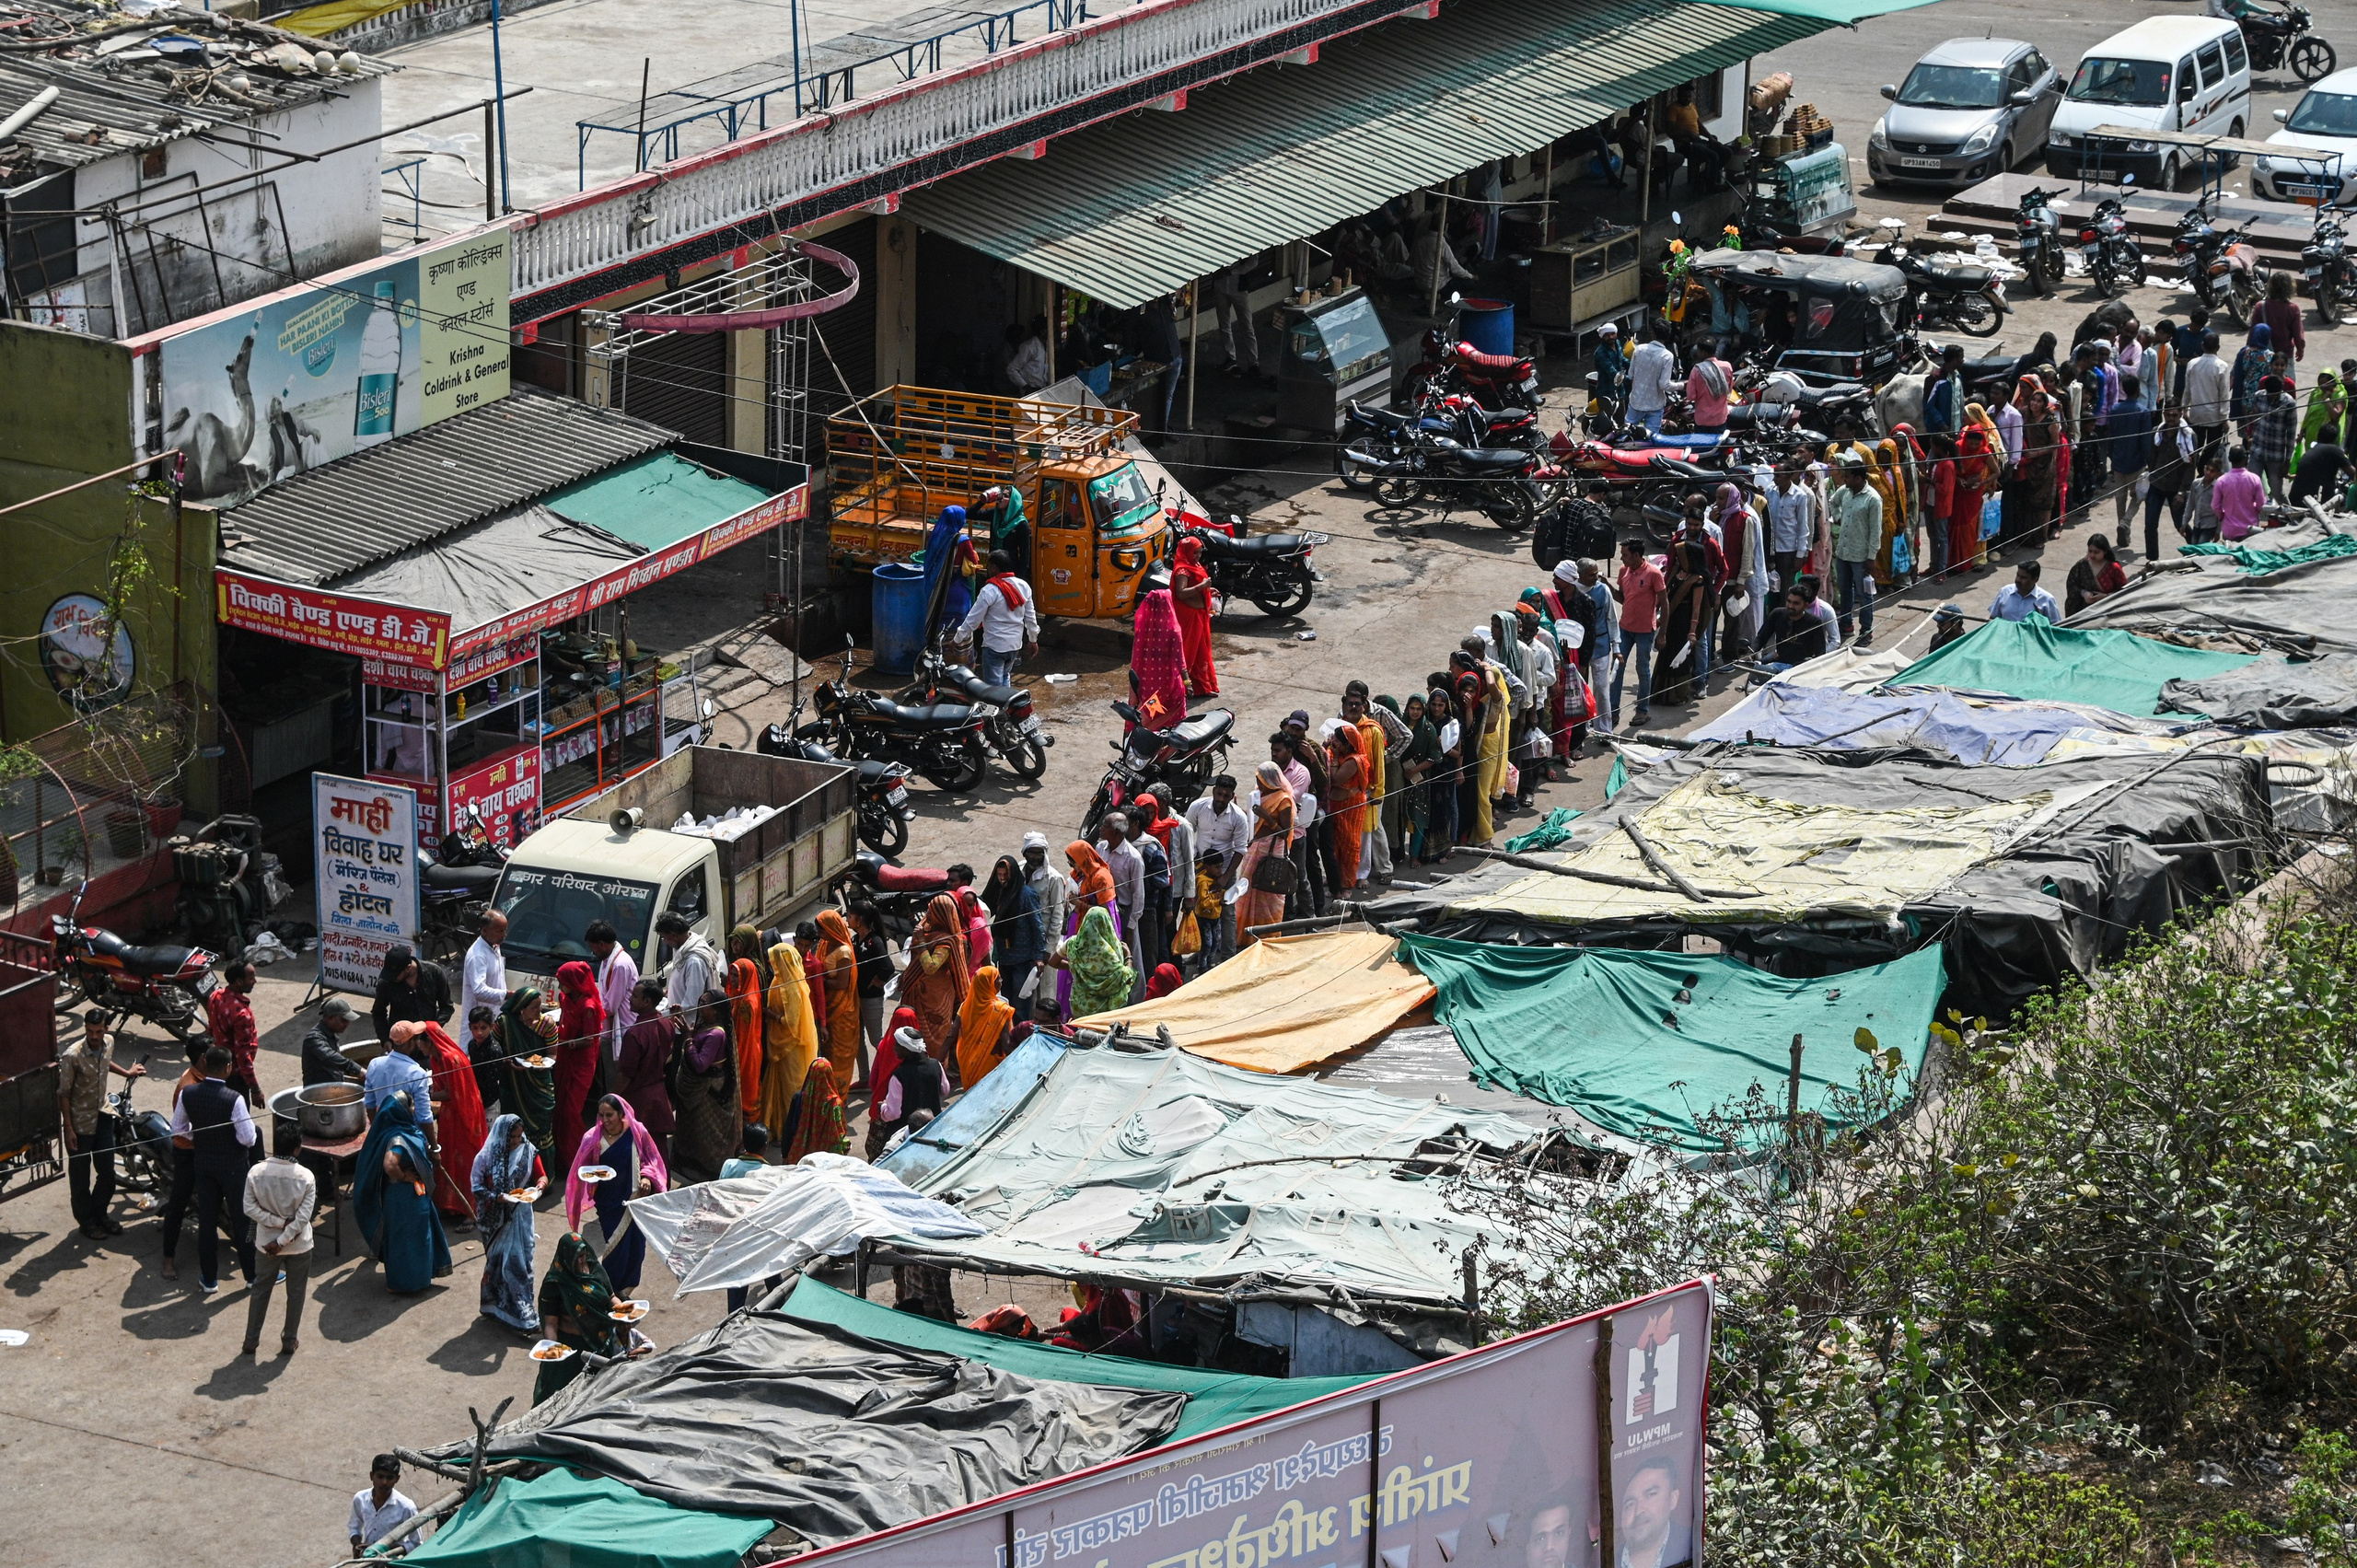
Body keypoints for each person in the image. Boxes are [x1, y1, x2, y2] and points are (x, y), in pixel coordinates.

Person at [565, 1093, 668, 1294]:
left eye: (609, 1115)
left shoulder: (637, 1132)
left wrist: (646, 1178)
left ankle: (626, 1290)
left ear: (621, 1114)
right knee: (614, 1248)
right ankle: (609, 1292)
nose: (605, 1120)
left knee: (636, 1248)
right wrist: (590, 1176)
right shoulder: (591, 1138)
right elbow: (581, 1167)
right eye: (601, 1115)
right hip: (608, 1201)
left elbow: (651, 1160)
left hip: (634, 1201)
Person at [351, 1089, 447, 1293]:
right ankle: (406, 1284)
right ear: (401, 1110)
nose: (414, 1109)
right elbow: (390, 1164)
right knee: (407, 1240)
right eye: (411, 1106)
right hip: (404, 1198)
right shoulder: (398, 1137)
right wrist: (405, 1176)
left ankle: (416, 1280)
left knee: (415, 1238)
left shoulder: (406, 1130)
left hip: (410, 1196)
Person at [57, 1009, 142, 1239]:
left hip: (103, 1117)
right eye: (89, 1031)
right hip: (80, 1124)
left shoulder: (108, 1042)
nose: (94, 1036)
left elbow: (104, 1063)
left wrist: (127, 1072)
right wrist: (68, 1129)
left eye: (98, 1031)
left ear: (106, 1029)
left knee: (107, 1173)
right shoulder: (72, 1056)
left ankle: (100, 1214)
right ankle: (87, 1222)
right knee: (80, 1178)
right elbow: (63, 1093)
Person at [395, 1019, 487, 1227]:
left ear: (429, 1042)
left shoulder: (449, 1058)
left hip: (464, 1116)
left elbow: (452, 1093)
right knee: (448, 1161)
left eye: (419, 1041)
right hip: (449, 1116)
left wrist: (423, 1095)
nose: (417, 1046)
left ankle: (471, 1210)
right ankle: (452, 1205)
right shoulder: (436, 1059)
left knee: (466, 1162)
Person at [237, 1121, 317, 1356]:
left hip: (265, 1245)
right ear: (297, 1149)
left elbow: (249, 1208)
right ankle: (289, 1341)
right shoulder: (306, 1177)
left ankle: (251, 1341)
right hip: (299, 1246)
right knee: (296, 1293)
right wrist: (284, 1236)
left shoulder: (256, 1172)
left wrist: (274, 1226)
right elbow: (303, 1218)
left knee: (260, 1291)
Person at [533, 1233, 626, 1406]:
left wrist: (623, 1312)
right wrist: (552, 1347)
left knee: (600, 1391)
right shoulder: (555, 1283)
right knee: (561, 1397)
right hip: (571, 1349)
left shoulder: (595, 1270)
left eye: (583, 1256)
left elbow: (611, 1297)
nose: (582, 1261)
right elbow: (551, 1324)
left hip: (599, 1342)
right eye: (577, 1258)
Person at [470, 1112, 543, 1334]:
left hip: (521, 1216)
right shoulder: (486, 1156)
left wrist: (539, 1188)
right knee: (503, 1265)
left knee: (521, 1264)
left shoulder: (527, 1150)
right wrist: (498, 1197)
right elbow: (476, 1187)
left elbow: (542, 1176)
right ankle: (508, 1311)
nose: (516, 1142)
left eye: (519, 1137)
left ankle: (522, 1311)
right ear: (502, 1135)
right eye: (512, 1137)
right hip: (496, 1222)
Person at [668, 989, 741, 1185]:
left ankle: (709, 1172)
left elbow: (700, 1065)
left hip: (706, 1092)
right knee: (692, 1132)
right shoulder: (704, 1025)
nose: (701, 1007)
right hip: (694, 1093)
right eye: (700, 1001)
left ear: (716, 1011)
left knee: (707, 1134)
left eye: (705, 1004)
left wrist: (687, 1039)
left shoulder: (716, 1034)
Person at [1184, 776, 1249, 963]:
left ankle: (1228, 956)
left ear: (1232, 796)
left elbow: (1240, 849)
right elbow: (1188, 834)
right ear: (1213, 791)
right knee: (1199, 909)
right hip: (1200, 869)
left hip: (1225, 869)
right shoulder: (1197, 807)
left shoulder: (1238, 817)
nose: (1221, 799)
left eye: (1226, 795)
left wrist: (1225, 877)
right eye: (1219, 793)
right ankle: (1200, 952)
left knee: (1227, 912)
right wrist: (1194, 864)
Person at [492, 987, 560, 1166]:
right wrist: (507, 1062)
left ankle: (544, 1176)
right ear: (521, 1008)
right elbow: (494, 1051)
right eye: (534, 1007)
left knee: (542, 1127)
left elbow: (553, 1053)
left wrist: (543, 1064)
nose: (540, 1010)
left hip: (540, 1084)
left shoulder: (547, 1024)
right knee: (513, 1128)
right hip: (513, 1084)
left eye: (540, 1006)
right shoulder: (504, 1023)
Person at [902, 892, 970, 1064]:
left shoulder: (947, 942)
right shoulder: (928, 932)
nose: (928, 915)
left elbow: (930, 967)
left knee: (935, 1043)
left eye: (932, 912)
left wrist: (921, 941)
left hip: (936, 1001)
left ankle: (937, 1077)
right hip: (918, 996)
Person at [1234, 761, 1297, 945]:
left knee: (1268, 893)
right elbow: (1253, 819)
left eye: (1261, 781)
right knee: (1247, 890)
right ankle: (1244, 936)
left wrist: (1266, 816)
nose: (1258, 784)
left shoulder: (1283, 799)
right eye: (1257, 780)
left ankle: (1268, 936)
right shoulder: (1259, 794)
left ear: (1270, 781)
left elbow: (1285, 832)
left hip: (1272, 852)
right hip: (1255, 848)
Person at [958, 549, 1039, 689]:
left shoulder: (990, 590)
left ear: (994, 568)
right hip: (1014, 646)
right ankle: (1006, 708)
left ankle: (999, 709)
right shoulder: (1023, 586)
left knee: (993, 689)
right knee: (1005, 676)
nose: (987, 569)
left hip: (995, 646)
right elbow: (1030, 617)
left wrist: (957, 640)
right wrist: (1033, 640)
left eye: (988, 566)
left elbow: (973, 620)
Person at [552, 959, 604, 1167]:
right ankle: (561, 1155)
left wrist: (569, 1043)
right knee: (560, 1104)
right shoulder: (565, 998)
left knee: (571, 1110)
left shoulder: (588, 1006)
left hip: (581, 1061)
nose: (559, 986)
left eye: (562, 981)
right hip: (565, 1055)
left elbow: (590, 1039)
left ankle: (578, 1155)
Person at [1828, 454, 1884, 645]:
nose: (1845, 480)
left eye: (1848, 477)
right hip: (1843, 552)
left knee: (1864, 594)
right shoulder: (1845, 491)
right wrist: (1838, 517)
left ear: (1859, 478)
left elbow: (1876, 531)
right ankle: (1846, 624)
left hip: (1861, 556)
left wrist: (1871, 557)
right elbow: (1832, 502)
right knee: (1845, 590)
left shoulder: (1873, 499)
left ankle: (1866, 630)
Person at [981, 854, 1044, 1017]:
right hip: (1004, 957)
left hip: (1022, 958)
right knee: (1005, 1001)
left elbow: (1037, 926)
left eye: (1005, 875)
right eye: (999, 875)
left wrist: (1039, 955)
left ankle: (1021, 1035)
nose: (1002, 879)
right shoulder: (1001, 893)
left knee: (1021, 1004)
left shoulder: (1027, 895)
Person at [1650, 542, 1711, 708]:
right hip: (1671, 620)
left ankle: (1677, 695)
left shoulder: (1697, 580)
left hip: (1683, 622)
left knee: (1679, 659)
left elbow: (1696, 608)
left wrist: (1692, 631)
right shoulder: (1677, 572)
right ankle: (1659, 693)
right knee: (1666, 654)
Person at [1610, 539, 1664, 728]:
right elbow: (1622, 598)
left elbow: (1665, 604)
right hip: (1625, 629)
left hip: (1645, 631)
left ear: (1636, 555)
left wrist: (1662, 632)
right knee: (1616, 669)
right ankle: (1613, 712)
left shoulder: (1654, 574)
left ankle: (1642, 711)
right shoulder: (1624, 571)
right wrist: (1607, 587)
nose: (1622, 558)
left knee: (1643, 670)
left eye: (1625, 555)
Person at [874, 1028, 947, 1150]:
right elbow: (945, 1090)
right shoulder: (936, 1065)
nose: (894, 1048)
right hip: (933, 1129)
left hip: (907, 1135)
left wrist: (882, 1107)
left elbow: (893, 1113)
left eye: (897, 1044)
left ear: (907, 1049)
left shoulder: (899, 1076)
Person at [1059, 904, 1136, 1019]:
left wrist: (1074, 965)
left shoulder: (1073, 943)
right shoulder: (1114, 949)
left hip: (1080, 1008)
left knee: (1082, 1035)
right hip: (1104, 1012)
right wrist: (1128, 956)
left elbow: (1053, 962)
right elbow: (1125, 977)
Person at [1129, 587, 1190, 732]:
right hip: (1168, 683)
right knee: (1169, 713)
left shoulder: (1143, 629)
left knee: (1148, 708)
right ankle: (1168, 744)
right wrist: (1188, 682)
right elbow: (1179, 658)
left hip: (1145, 681)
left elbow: (1137, 655)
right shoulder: (1173, 629)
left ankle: (1142, 735)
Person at [2106, 372, 2155, 551]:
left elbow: (2110, 436)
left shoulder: (2115, 410)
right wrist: (2147, 461)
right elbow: (2145, 441)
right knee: (2138, 496)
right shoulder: (2143, 412)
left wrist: (2111, 455)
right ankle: (2126, 523)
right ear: (2139, 389)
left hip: (2118, 460)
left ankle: (2123, 530)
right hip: (2136, 462)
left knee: (2120, 498)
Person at [1617, 1455, 1690, 1568]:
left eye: (1651, 1494)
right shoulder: (1601, 1562)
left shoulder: (1692, 1544)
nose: (1638, 1511)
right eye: (1630, 1504)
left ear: (1673, 1499)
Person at [1168, 535, 1220, 697]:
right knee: (1188, 652)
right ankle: (1180, 689)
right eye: (1195, 552)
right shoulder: (1182, 569)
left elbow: (1195, 587)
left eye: (1200, 552)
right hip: (1188, 616)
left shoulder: (1194, 564)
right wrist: (1202, 586)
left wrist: (1207, 591)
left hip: (1199, 615)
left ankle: (1201, 688)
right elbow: (1181, 593)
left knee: (1201, 651)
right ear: (1187, 552)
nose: (1198, 556)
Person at [371, 945, 452, 1047]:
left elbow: (447, 1007)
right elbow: (378, 1013)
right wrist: (385, 1039)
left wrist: (433, 1030)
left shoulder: (434, 973)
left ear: (408, 968)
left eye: (396, 974)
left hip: (428, 1044)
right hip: (400, 1046)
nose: (392, 977)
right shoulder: (386, 982)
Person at [206, 958, 261, 1106]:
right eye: (251, 978)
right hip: (236, 1076)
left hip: (218, 1070)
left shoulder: (215, 996)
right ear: (238, 981)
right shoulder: (241, 1014)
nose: (255, 981)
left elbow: (210, 1031)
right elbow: (243, 1055)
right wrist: (255, 1089)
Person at [586, 919, 639, 1072]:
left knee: (616, 1076)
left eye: (593, 948)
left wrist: (587, 1010)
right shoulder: (608, 959)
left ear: (602, 944)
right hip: (610, 1026)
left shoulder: (619, 965)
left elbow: (610, 1006)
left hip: (622, 1028)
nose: (593, 952)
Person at [955, 964, 1016, 1089]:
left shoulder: (966, 1005)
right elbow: (1006, 1044)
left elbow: (952, 1034)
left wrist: (938, 1061)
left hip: (967, 1061)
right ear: (990, 983)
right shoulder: (1000, 1010)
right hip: (989, 1063)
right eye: (998, 979)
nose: (1001, 981)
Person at [782, 1058, 849, 1163]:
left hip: (800, 1158)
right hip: (826, 1162)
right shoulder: (835, 1104)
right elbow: (840, 1134)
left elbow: (788, 1129)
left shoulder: (800, 1098)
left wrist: (785, 1154)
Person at [460, 912, 509, 1056]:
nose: (504, 935)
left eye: (505, 930)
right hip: (478, 1026)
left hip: (494, 1021)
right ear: (485, 930)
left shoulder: (494, 946)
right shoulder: (477, 955)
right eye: (500, 931)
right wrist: (507, 995)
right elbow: (479, 991)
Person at [350, 1458, 418, 1558]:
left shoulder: (407, 1507)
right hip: (367, 1561)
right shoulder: (360, 1499)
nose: (384, 1482)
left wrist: (387, 1551)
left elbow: (416, 1544)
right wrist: (357, 1544)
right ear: (371, 1476)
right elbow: (354, 1528)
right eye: (380, 1476)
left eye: (390, 1478)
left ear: (397, 1479)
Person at [1757, 586, 1830, 670]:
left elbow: (1820, 653)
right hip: (1777, 663)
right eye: (1789, 601)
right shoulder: (1777, 614)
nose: (1791, 606)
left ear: (1805, 605)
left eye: (1796, 603)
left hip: (1800, 669)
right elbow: (1760, 638)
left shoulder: (1814, 622)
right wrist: (1749, 653)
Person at [2251, 375, 2300, 501]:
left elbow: (2291, 434)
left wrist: (2287, 460)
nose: (2272, 397)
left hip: (2276, 455)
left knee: (2277, 491)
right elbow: (2253, 420)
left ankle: (2289, 516)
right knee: (2250, 486)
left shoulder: (2289, 403)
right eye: (2270, 394)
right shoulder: (2259, 397)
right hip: (2258, 450)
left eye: (2275, 394)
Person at [1625, 319, 1677, 435]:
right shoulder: (1667, 356)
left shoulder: (1639, 349)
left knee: (1627, 436)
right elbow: (1664, 384)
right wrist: (1682, 385)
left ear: (1653, 334)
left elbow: (1630, 375)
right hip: (1655, 406)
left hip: (1636, 402)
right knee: (1652, 439)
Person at [2186, 331, 2232, 459]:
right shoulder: (2222, 366)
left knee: (2195, 448)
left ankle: (2196, 467)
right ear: (2218, 348)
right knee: (2212, 450)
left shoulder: (2192, 364)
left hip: (2196, 414)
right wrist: (2225, 419)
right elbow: (2224, 395)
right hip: (2215, 417)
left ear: (2202, 345)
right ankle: (2203, 469)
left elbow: (2187, 390)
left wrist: (2185, 409)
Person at [301, 996, 365, 1086]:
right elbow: (329, 1056)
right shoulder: (314, 1038)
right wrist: (357, 1069)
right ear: (330, 1018)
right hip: (317, 1093)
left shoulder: (331, 1034)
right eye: (344, 1020)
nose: (347, 1024)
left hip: (332, 1088)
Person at [2064, 533, 2129, 618]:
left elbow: (2124, 591)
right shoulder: (2081, 565)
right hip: (2082, 612)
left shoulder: (2114, 568)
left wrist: (2105, 596)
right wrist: (2084, 593)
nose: (2092, 555)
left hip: (2106, 612)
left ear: (2105, 551)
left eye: (2096, 552)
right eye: (2090, 551)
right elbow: (2071, 584)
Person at [975, 483, 1029, 577]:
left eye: (1006, 496)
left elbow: (1025, 554)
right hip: (993, 568)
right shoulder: (995, 515)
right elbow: (970, 514)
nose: (1000, 498)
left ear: (1013, 501)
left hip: (1010, 571)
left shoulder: (1021, 524)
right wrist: (984, 500)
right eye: (1001, 495)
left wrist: (1020, 578)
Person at [2213, 446, 2267, 541]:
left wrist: (2223, 517)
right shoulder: (2255, 479)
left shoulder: (2221, 481)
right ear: (2245, 459)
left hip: (2230, 531)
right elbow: (2261, 505)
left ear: (2229, 459)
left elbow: (2215, 506)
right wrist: (2254, 508)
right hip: (2251, 530)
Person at [2258, 269, 2306, 366]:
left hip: (2263, 356)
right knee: (2286, 380)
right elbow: (2298, 337)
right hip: (2284, 358)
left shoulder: (2260, 307)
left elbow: (2253, 333)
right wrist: (2300, 350)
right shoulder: (2293, 309)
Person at [1685, 340, 1734, 434]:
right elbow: (1729, 390)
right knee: (1718, 446)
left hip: (1702, 420)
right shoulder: (1727, 366)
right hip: (1720, 418)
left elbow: (1691, 396)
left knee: (1702, 447)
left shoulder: (1697, 370)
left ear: (1702, 352)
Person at [1991, 560, 2061, 622]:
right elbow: (1993, 619)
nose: (2018, 580)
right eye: (2018, 575)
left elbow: (2056, 627)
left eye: (2023, 578)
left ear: (2035, 579)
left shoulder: (2047, 600)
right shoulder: (2005, 592)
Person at [2291, 437, 2349, 507]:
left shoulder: (2311, 451)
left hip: (2295, 499)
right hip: (2311, 504)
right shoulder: (2334, 450)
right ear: (2335, 440)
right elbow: (2352, 472)